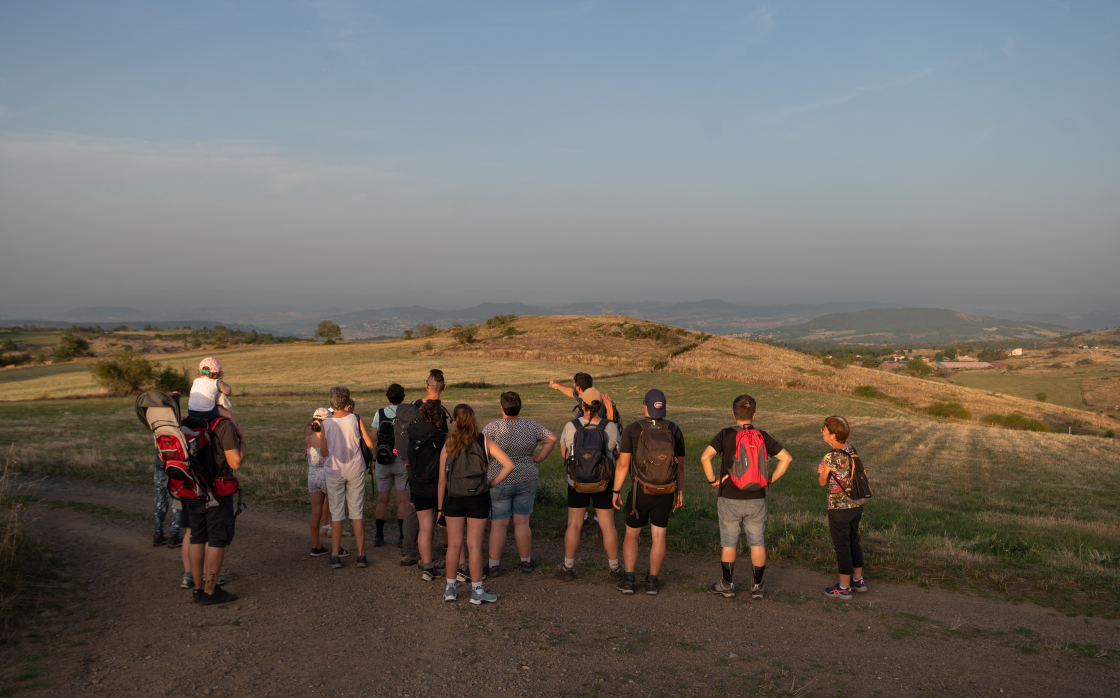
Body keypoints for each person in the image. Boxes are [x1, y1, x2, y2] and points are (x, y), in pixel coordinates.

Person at [699, 394, 793, 601]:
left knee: (729, 542)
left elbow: (705, 457)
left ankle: (727, 584)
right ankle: (757, 587)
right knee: (757, 541)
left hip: (729, 498)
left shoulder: (725, 434)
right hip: (757, 498)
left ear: (733, 414)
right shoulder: (762, 435)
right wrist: (769, 480)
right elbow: (786, 458)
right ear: (754, 415)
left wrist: (712, 480)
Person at [437, 404, 516, 604]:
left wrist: (440, 508)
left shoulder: (449, 443)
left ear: (454, 421)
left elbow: (441, 480)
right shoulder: (484, 441)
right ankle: (477, 591)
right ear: (473, 420)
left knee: (454, 544)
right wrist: (492, 483)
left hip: (453, 497)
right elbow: (509, 465)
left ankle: (450, 588)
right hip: (478, 497)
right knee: (474, 545)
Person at [612, 389, 684, 596]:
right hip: (666, 490)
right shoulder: (674, 429)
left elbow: (623, 466)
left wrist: (616, 490)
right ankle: (652, 582)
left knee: (632, 534)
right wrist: (679, 491)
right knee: (659, 535)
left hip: (640, 490)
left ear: (645, 406)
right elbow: (680, 467)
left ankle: (628, 580)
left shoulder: (633, 429)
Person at [483, 391, 557, 576]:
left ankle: (493, 566)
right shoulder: (531, 425)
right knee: (522, 522)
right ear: (520, 407)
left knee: (499, 524)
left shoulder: (493, 428)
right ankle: (525, 562)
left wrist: (487, 467)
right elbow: (552, 438)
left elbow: (480, 448)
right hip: (527, 477)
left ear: (502, 407)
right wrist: (539, 458)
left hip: (499, 478)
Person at [556, 388, 622, 583]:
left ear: (581, 404)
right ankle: (614, 568)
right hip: (604, 482)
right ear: (600, 406)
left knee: (574, 524)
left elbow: (564, 454)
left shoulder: (571, 426)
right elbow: (618, 454)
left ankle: (568, 567)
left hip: (576, 482)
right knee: (607, 525)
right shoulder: (610, 427)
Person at [186, 405, 243, 605]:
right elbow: (235, 463)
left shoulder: (187, 422)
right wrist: (242, 439)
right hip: (217, 490)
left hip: (192, 488)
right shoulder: (223, 425)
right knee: (217, 539)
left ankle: (197, 589)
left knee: (197, 536)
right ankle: (211, 592)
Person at [399, 369, 452, 567]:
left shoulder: (414, 407)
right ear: (444, 388)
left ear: (426, 385)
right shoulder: (441, 413)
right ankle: (433, 554)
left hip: (413, 467)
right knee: (437, 511)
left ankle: (410, 549)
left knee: (414, 510)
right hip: (435, 470)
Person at [319, 386, 374, 570]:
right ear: (348, 402)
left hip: (334, 471)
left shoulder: (326, 424)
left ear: (331, 403)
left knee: (336, 513)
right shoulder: (355, 418)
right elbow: (368, 442)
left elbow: (325, 451)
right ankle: (361, 555)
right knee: (356, 512)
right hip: (355, 469)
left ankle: (335, 556)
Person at [817, 415, 867, 601]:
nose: (822, 431)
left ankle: (844, 587)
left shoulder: (830, 457)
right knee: (854, 540)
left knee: (842, 545)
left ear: (832, 435)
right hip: (856, 504)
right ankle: (858, 580)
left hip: (839, 507)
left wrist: (822, 470)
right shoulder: (850, 449)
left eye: (824, 429)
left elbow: (823, 483)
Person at [410, 401, 447, 581]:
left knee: (424, 529)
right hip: (438, 487)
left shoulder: (412, 434)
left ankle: (428, 568)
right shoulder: (442, 437)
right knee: (450, 528)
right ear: (440, 417)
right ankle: (461, 567)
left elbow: (410, 463)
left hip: (417, 486)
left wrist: (411, 492)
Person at [372, 384, 409, 549]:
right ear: (402, 397)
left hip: (382, 460)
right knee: (402, 502)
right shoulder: (406, 414)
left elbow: (374, 438)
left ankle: (379, 536)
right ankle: (402, 537)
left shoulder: (379, 413)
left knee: (382, 500)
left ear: (388, 396)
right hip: (400, 460)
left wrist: (374, 459)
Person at [187, 357, 246, 441]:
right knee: (228, 414)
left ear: (200, 370)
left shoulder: (196, 381)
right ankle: (236, 433)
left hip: (192, 411)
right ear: (217, 372)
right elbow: (228, 391)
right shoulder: (216, 382)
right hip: (206, 412)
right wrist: (220, 381)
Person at [305, 407, 332, 556]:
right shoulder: (328, 439)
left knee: (315, 512)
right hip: (327, 476)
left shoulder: (308, 439)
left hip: (312, 476)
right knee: (334, 511)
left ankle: (316, 546)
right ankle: (337, 547)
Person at [548, 372, 617, 421]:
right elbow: (570, 392)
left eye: (574, 384)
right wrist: (557, 386)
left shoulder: (595, 404)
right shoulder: (585, 396)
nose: (573, 386)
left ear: (578, 388)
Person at [152, 454, 183, 547]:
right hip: (176, 464)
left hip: (160, 461)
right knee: (176, 496)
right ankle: (174, 535)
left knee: (160, 497)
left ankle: (157, 533)